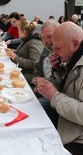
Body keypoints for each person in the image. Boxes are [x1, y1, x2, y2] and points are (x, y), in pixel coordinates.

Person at [34, 21, 83, 155]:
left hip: (77, 137)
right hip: (67, 123)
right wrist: (58, 70)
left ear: (75, 44)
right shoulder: (75, 58)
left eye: (59, 48)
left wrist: (54, 95)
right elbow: (74, 89)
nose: (55, 52)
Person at [32, 20, 60, 127]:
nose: (46, 41)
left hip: (54, 97)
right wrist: (37, 80)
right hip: (42, 90)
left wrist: (42, 82)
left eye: (49, 36)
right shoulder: (46, 50)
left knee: (34, 109)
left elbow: (62, 82)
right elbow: (37, 67)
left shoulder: (62, 53)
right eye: (43, 37)